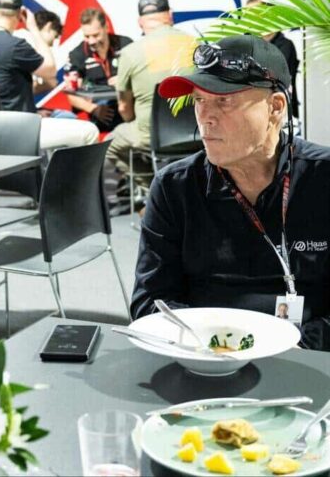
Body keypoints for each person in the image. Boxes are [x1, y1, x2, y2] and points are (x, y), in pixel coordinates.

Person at [131, 34, 330, 351]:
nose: (205, 118)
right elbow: (150, 301)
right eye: (199, 100)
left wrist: (299, 346)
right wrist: (216, 345)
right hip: (203, 359)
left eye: (224, 101)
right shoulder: (174, 187)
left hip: (308, 358)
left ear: (275, 108)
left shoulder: (322, 178)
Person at [0, 0, 98, 149]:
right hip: (18, 131)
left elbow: (2, 91)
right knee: (90, 131)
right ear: (20, 14)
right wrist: (34, 28)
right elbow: (50, 69)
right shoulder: (14, 46)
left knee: (60, 118)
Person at [107, 0, 195, 184]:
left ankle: (152, 189)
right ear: (170, 15)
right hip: (197, 132)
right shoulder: (194, 43)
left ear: (140, 22)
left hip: (152, 136)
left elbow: (124, 109)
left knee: (109, 144)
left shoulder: (130, 53)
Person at [65, 8, 133, 132]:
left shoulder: (126, 44)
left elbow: (143, 76)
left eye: (96, 35)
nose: (91, 41)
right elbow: (71, 94)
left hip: (130, 109)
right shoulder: (77, 55)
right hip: (102, 116)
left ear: (106, 27)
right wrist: (93, 109)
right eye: (87, 36)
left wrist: (124, 78)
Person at [246, 0, 300, 121]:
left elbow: (274, 79)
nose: (251, 19)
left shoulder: (286, 46)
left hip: (279, 114)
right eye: (248, 15)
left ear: (270, 14)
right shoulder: (244, 43)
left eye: (256, 13)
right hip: (248, 112)